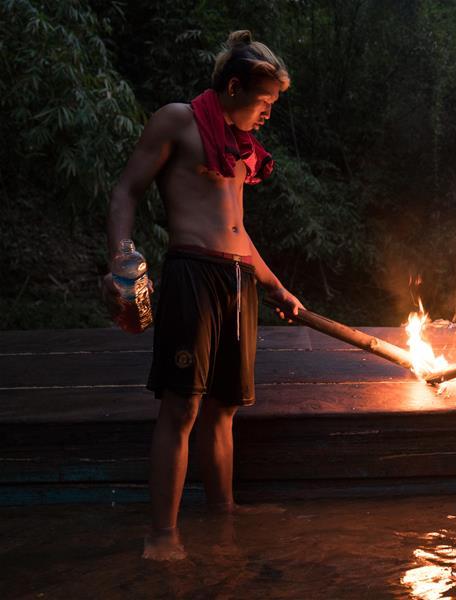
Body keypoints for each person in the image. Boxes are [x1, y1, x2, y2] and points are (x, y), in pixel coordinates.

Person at [103, 30, 304, 560]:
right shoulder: (178, 120)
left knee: (224, 409)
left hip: (239, 282)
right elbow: (125, 190)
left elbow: (237, 231)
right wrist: (121, 255)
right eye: (264, 101)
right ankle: (162, 536)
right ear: (234, 87)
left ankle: (224, 513)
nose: (267, 114)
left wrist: (276, 285)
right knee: (182, 407)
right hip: (193, 274)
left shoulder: (238, 149)